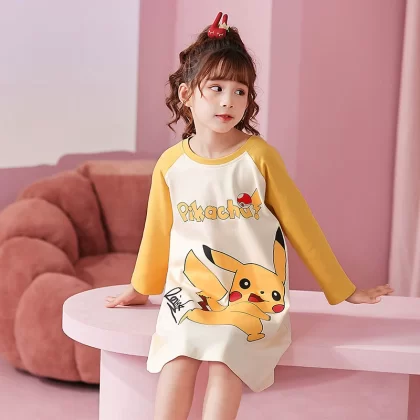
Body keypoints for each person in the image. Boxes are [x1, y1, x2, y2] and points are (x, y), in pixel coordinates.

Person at [105, 11, 393, 420]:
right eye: (216, 88)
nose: (229, 100)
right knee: (178, 356)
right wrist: (142, 288)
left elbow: (302, 227)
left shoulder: (259, 157)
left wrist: (344, 289)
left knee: (227, 358)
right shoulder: (170, 165)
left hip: (254, 294)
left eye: (240, 91)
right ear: (186, 94)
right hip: (192, 290)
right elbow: (158, 232)